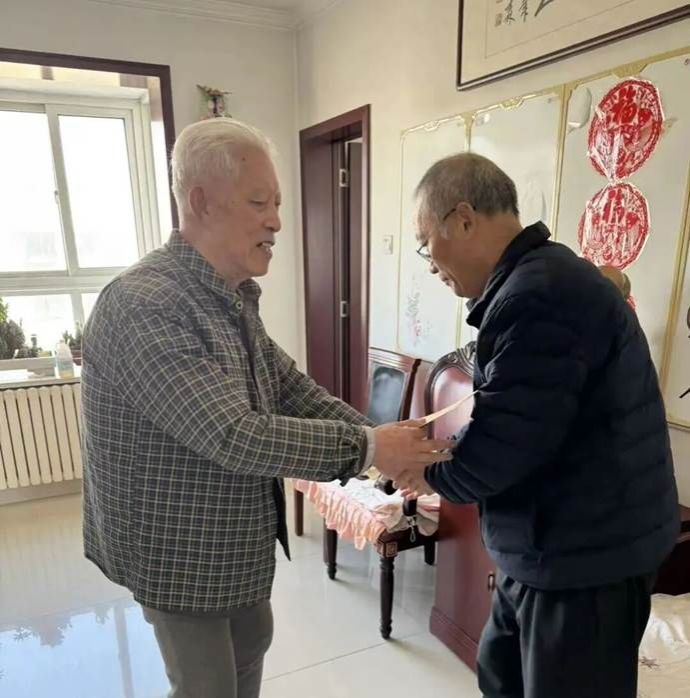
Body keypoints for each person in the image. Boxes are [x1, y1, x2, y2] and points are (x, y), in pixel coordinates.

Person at [80, 117, 453, 698]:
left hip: (235, 544)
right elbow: (231, 434)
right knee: (207, 687)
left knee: (252, 648)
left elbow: (290, 387)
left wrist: (381, 442)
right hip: (177, 550)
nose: (277, 220)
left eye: (277, 203)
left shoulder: (231, 296)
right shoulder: (144, 304)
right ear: (201, 202)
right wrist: (371, 447)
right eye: (260, 202)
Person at [390, 152, 679, 698]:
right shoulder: (535, 281)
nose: (429, 265)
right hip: (549, 546)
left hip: (586, 558)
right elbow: (516, 422)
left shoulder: (540, 295)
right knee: (501, 674)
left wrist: (423, 473)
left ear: (464, 219)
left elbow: (502, 447)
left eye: (427, 245)